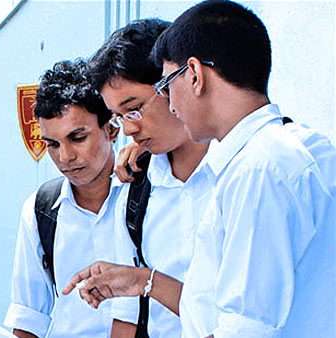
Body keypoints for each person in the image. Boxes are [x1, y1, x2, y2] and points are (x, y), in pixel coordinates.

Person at [66, 1, 335, 337]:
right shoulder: (304, 152)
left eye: (166, 86)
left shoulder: (257, 169)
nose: (173, 103)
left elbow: (244, 327)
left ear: (194, 75)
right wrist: (143, 281)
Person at [83, 18, 211, 338]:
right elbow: (128, 315)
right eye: (119, 117)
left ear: (176, 83)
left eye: (134, 108)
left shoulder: (241, 175)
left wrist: (147, 280)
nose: (128, 128)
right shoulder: (135, 192)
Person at [4, 59, 139, 338]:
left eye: (77, 137)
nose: (65, 157)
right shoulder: (41, 209)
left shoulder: (144, 193)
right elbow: (29, 316)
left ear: (112, 129)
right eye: (52, 144)